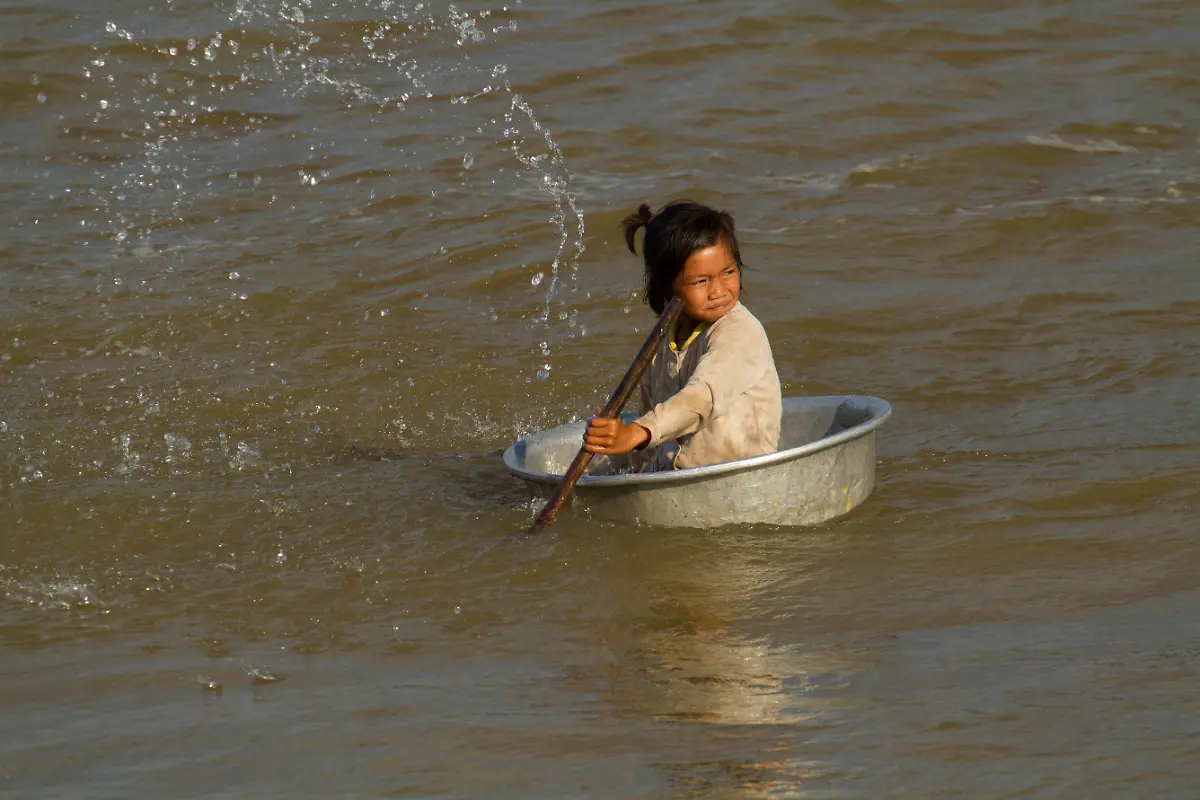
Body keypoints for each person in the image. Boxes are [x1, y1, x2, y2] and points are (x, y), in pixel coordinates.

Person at [584, 200, 782, 472]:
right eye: (701, 281)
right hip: (681, 479)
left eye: (728, 272)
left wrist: (637, 432)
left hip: (741, 475)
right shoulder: (663, 342)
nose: (718, 291)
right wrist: (614, 440)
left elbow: (702, 398)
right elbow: (652, 416)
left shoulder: (740, 332)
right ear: (667, 285)